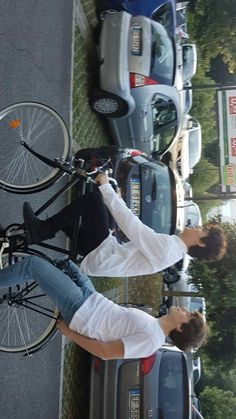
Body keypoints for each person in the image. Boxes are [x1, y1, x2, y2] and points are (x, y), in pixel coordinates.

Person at [0, 255, 208, 359]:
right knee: (63, 261)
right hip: (90, 299)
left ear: (180, 328)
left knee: (34, 265)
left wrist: (69, 333)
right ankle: (11, 249)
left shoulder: (151, 340)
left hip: (80, 310)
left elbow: (106, 353)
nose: (184, 309)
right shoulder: (153, 323)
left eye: (188, 315)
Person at [23, 173, 227, 277]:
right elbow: (133, 235)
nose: (195, 227)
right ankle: (19, 236)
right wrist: (117, 201)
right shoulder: (172, 249)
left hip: (101, 255)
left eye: (201, 230)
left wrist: (106, 188)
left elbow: (133, 227)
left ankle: (41, 231)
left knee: (93, 200)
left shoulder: (169, 248)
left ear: (200, 242)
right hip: (106, 252)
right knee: (83, 216)